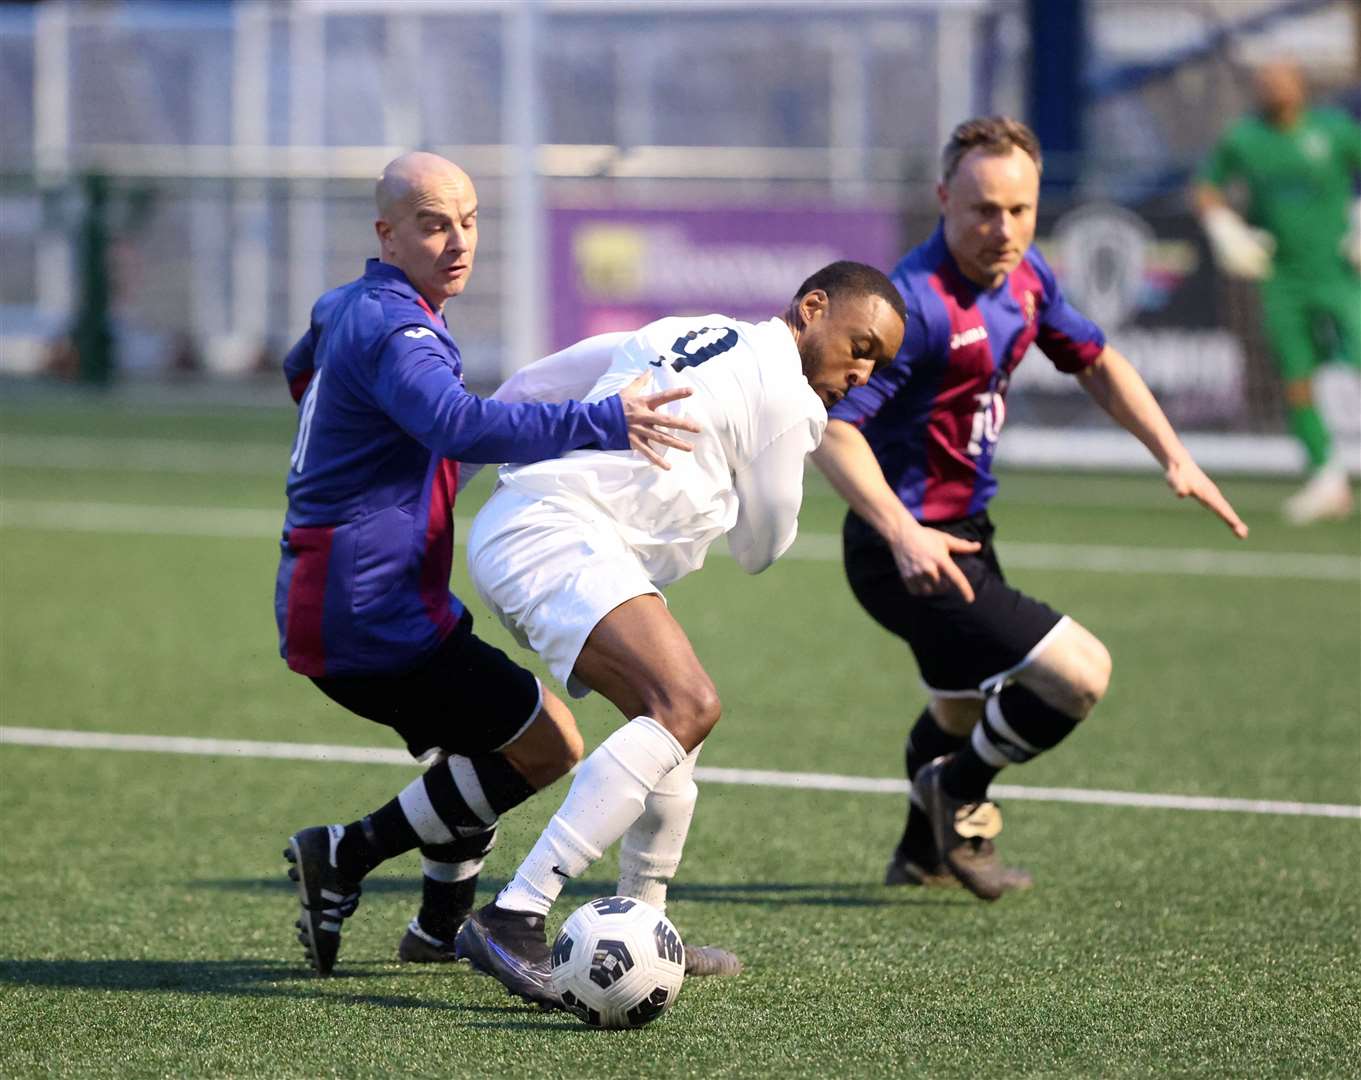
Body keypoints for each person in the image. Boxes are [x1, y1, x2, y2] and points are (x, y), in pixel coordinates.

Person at [276, 151, 701, 976]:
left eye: (469, 221)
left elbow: (304, 371)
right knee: (545, 743)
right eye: (434, 224)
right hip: (363, 606)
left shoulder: (351, 304)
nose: (458, 240)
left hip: (361, 591)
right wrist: (601, 421)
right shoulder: (397, 327)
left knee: (483, 743)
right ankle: (344, 854)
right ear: (387, 234)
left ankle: (437, 930)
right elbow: (458, 425)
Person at [447, 261, 908, 1008]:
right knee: (686, 703)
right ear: (811, 308)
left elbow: (536, 382)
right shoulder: (790, 401)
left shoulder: (692, 331)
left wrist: (443, 492)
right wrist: (776, 451)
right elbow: (763, 549)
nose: (862, 372)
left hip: (537, 526)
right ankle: (514, 914)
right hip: (559, 536)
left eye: (878, 364)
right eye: (858, 346)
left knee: (673, 729)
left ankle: (645, 924)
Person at [811, 117, 1249, 902]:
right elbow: (834, 434)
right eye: (982, 209)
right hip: (900, 548)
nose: (1002, 228)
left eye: (1019, 210)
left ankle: (920, 852)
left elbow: (1095, 359)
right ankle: (961, 794)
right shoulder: (914, 305)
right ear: (943, 197)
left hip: (965, 535)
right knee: (1077, 676)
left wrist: (1173, 455)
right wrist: (903, 531)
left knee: (956, 709)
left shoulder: (1026, 277)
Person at [1194, 61, 1361, 524]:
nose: (1272, 86)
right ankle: (1327, 477)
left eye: (1282, 77)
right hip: (1282, 279)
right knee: (1296, 379)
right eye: (1266, 79)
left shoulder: (1334, 130)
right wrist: (1224, 227)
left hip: (1341, 273)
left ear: (1301, 85)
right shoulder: (1245, 139)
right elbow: (1206, 188)